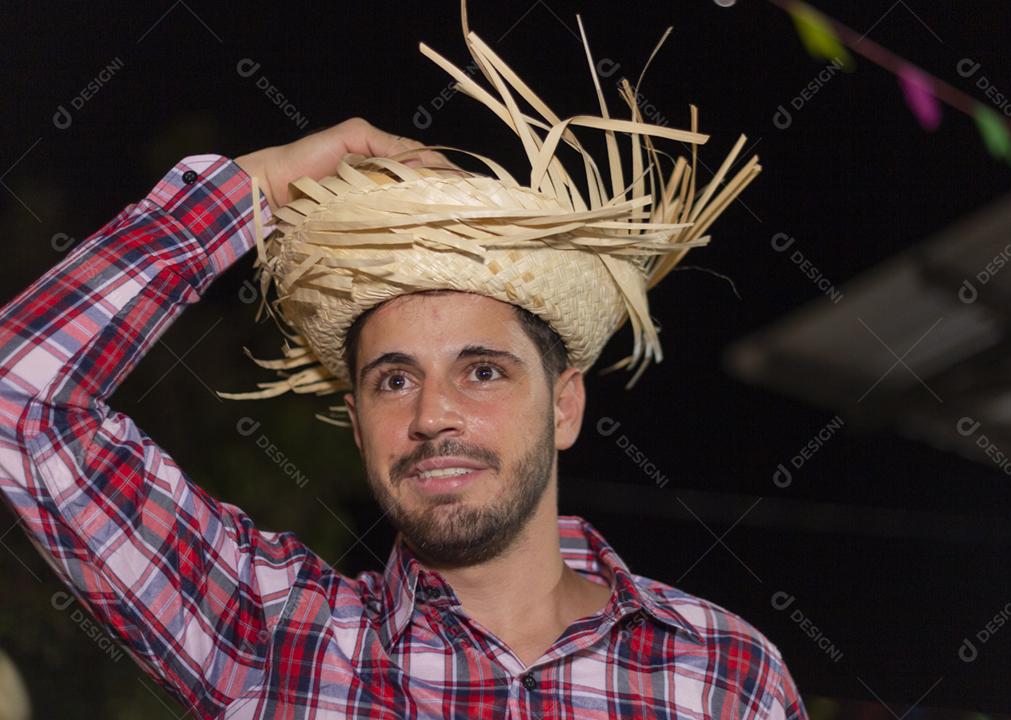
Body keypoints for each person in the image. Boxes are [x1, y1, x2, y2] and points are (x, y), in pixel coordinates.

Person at [0, 114, 805, 718]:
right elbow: (19, 397)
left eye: (482, 370)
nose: (432, 416)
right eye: (393, 381)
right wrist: (251, 189)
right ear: (356, 423)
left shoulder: (722, 672)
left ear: (564, 403)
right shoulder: (271, 634)